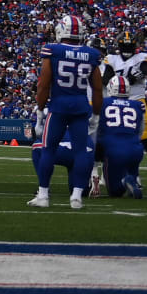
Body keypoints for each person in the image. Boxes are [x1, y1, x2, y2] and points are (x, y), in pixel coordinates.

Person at [28, 15, 102, 210]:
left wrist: (40, 110)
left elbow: (43, 84)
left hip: (59, 105)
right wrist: (96, 114)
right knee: (81, 152)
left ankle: (43, 194)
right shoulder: (92, 53)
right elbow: (97, 89)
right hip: (80, 105)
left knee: (48, 149)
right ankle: (76, 196)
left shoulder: (53, 50)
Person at [103, 31, 147, 192]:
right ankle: (132, 176)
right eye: (124, 45)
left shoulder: (141, 59)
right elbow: (105, 80)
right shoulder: (112, 59)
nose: (127, 48)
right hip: (118, 102)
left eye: (130, 46)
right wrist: (126, 79)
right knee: (119, 140)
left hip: (138, 101)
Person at [99, 75, 145, 199]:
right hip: (135, 149)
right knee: (130, 173)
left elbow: (95, 127)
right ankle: (131, 180)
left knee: (115, 192)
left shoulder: (103, 103)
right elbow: (141, 130)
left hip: (113, 148)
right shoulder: (137, 105)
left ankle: (124, 182)